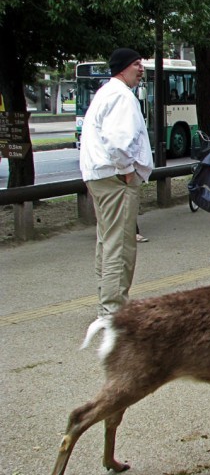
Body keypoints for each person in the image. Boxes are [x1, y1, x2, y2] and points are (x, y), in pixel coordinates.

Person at [79, 48, 153, 318]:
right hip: (114, 177)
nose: (141, 69)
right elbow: (118, 141)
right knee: (119, 244)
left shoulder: (106, 93)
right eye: (136, 64)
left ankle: (107, 301)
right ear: (123, 68)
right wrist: (126, 171)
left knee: (107, 240)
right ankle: (113, 310)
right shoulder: (121, 96)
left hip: (99, 175)